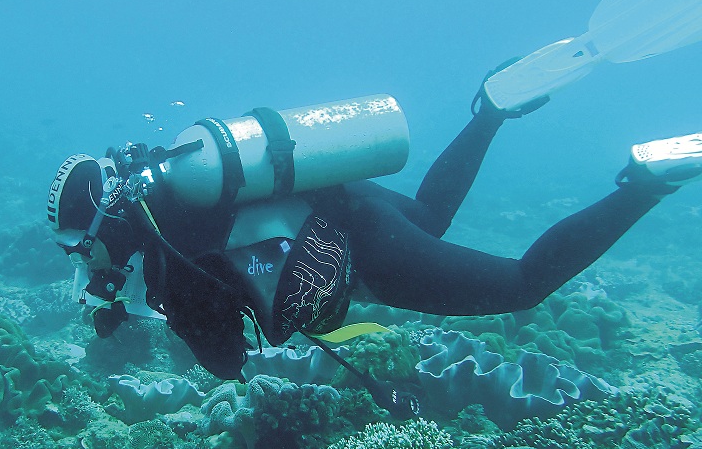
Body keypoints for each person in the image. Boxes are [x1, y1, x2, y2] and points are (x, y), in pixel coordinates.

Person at [47, 68, 702, 397]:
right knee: (428, 217)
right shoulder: (172, 184)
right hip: (345, 200)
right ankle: (491, 111)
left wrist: (158, 313)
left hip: (358, 248)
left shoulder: (167, 258)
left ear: (104, 223)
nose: (87, 265)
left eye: (82, 249)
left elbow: (229, 362)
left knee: (520, 285)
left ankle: (645, 182)